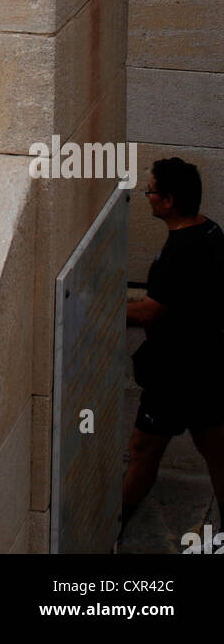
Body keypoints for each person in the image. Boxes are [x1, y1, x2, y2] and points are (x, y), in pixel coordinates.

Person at [121, 157, 224, 543]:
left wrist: (99, 312)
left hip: (175, 375)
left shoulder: (179, 252)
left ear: (168, 200)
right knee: (215, 449)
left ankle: (112, 530)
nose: (146, 197)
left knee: (142, 450)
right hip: (209, 363)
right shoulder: (212, 232)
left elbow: (150, 312)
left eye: (150, 191)